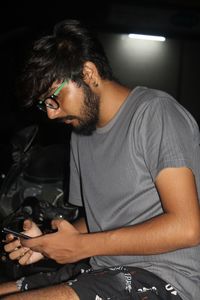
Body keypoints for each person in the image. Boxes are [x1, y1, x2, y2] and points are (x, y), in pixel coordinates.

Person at [0, 19, 200, 300]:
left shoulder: (155, 113)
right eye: (43, 104)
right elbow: (97, 223)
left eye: (53, 98)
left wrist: (83, 247)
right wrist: (47, 241)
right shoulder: (82, 134)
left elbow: (187, 227)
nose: (50, 114)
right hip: (102, 269)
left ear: (89, 73)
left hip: (165, 278)